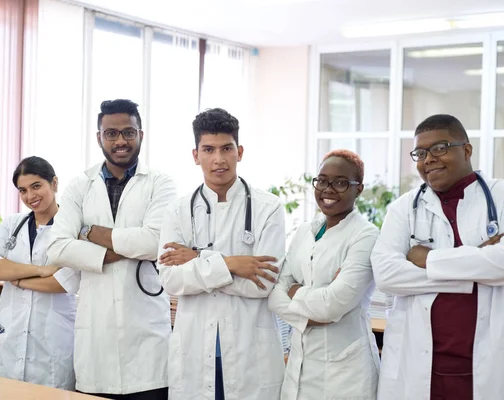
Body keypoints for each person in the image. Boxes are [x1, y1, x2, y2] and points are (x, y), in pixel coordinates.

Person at [47, 99, 177, 399]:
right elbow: (56, 247)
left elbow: (155, 241)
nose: (121, 141)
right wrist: (126, 248)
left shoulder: (161, 183)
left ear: (140, 135)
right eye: (111, 133)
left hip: (148, 342)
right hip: (96, 340)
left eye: (129, 132)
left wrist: (88, 232)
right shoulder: (80, 185)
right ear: (99, 137)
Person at [371, 114, 504, 399]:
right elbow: (386, 275)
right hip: (418, 368)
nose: (428, 159)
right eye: (420, 152)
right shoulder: (403, 209)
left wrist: (428, 259)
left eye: (440, 148)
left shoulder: (501, 196)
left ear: (466, 150)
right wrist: (473, 270)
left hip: (487, 364)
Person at [157, 108, 286, 400]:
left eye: (226, 148)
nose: (218, 159)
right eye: (209, 149)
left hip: (250, 351)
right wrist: (233, 264)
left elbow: (263, 284)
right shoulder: (177, 211)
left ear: (239, 152)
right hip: (195, 350)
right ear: (195, 155)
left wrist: (195, 259)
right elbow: (171, 280)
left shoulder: (269, 208)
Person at [269, 149, 380, 400]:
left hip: (346, 372)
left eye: (341, 182)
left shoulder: (366, 235)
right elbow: (274, 297)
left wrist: (295, 291)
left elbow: (333, 305)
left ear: (359, 189)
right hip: (300, 367)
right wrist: (312, 309)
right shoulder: (304, 232)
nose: (328, 189)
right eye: (322, 180)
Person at [0, 156, 79, 389]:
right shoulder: (12, 223)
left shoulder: (72, 226)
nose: (30, 196)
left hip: (54, 334)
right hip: (10, 330)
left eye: (36, 186)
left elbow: (65, 281)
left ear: (54, 183)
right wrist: (41, 270)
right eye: (22, 190)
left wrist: (14, 278)